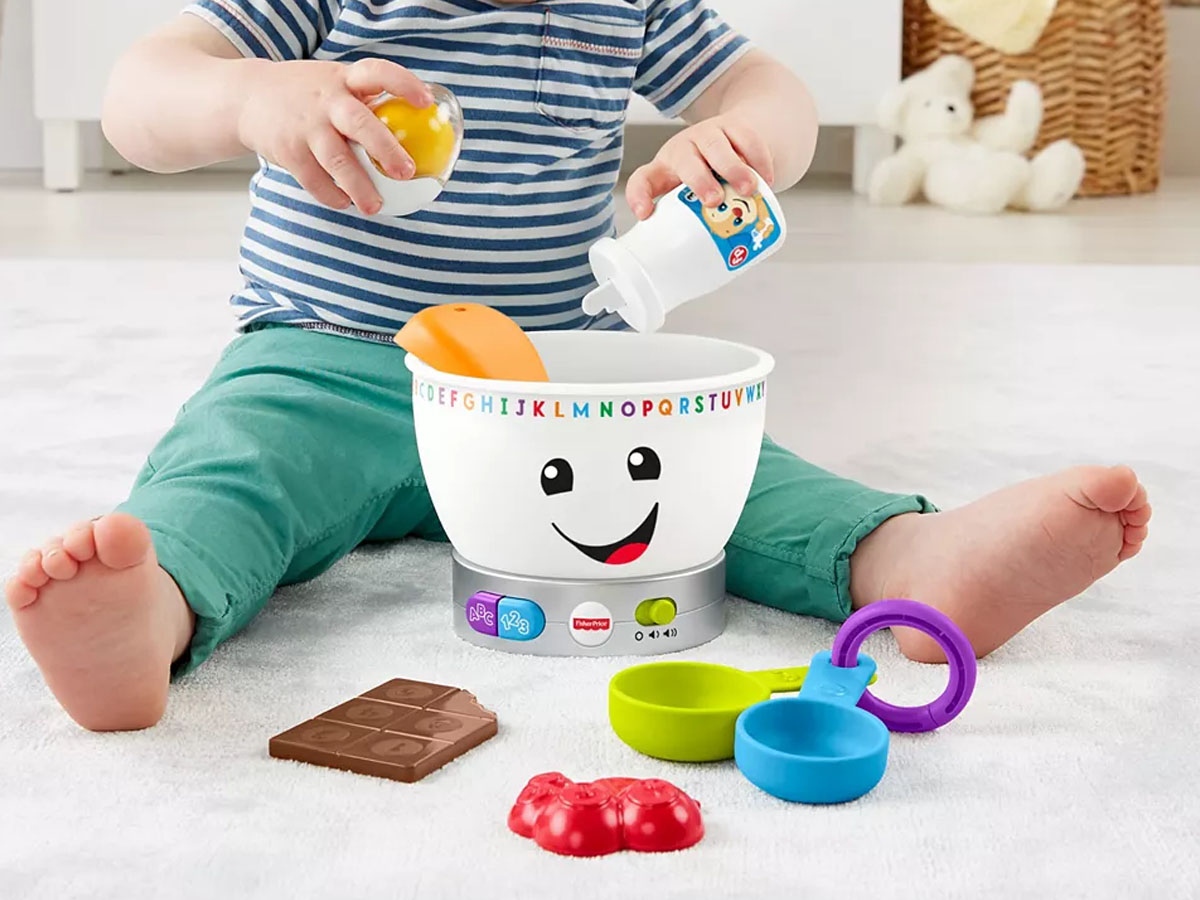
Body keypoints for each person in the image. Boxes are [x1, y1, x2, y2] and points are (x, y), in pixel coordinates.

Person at [5, 0, 1150, 731]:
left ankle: (908, 556)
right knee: (236, 469)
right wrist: (248, 96)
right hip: (325, 355)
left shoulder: (623, 5)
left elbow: (772, 93)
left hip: (554, 381)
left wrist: (741, 144)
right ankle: (147, 614)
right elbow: (136, 102)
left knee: (716, 473)